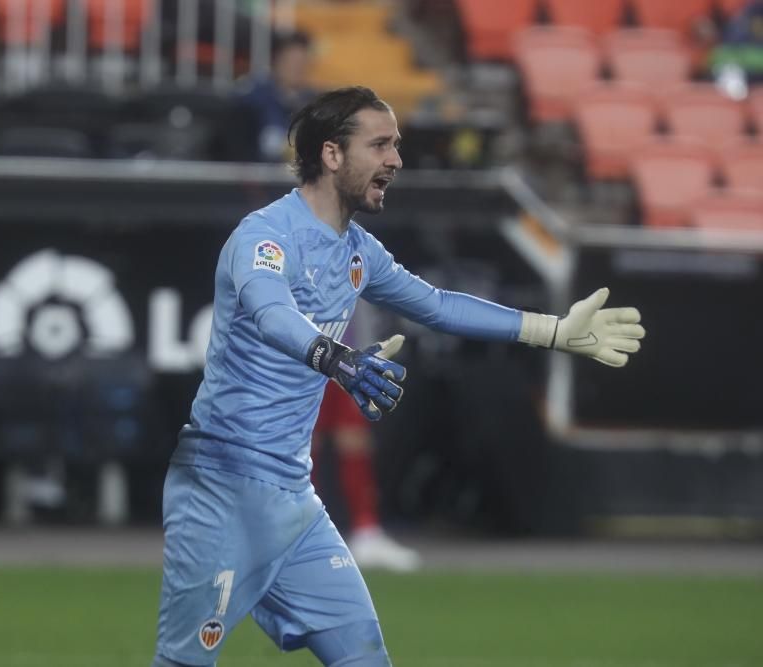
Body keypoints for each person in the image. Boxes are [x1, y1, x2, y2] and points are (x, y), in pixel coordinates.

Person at [152, 86, 645, 667]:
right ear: (332, 154)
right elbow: (269, 311)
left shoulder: (359, 250)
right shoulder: (265, 235)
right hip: (223, 489)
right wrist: (335, 357)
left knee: (364, 656)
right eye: (380, 144)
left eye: (397, 145)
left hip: (293, 499)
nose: (396, 159)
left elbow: (437, 305)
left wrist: (553, 331)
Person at [311, 302, 421, 573]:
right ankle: (297, 534)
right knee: (301, 445)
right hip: (303, 355)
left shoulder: (352, 261)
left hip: (346, 357)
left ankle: (366, 531)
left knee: (353, 440)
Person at [239, 29, 317, 162]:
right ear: (275, 61)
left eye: (301, 63)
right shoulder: (253, 98)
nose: (296, 68)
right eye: (290, 62)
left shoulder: (314, 103)